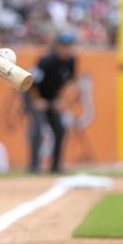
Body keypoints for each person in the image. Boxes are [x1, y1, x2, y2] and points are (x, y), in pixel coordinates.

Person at [26, 31, 78, 173]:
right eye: (63, 46)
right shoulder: (46, 61)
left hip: (51, 97)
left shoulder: (71, 61)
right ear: (57, 46)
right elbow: (32, 82)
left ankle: (55, 166)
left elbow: (66, 82)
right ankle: (34, 166)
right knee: (37, 129)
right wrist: (37, 101)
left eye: (68, 46)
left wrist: (59, 99)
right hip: (34, 95)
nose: (65, 49)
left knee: (59, 129)